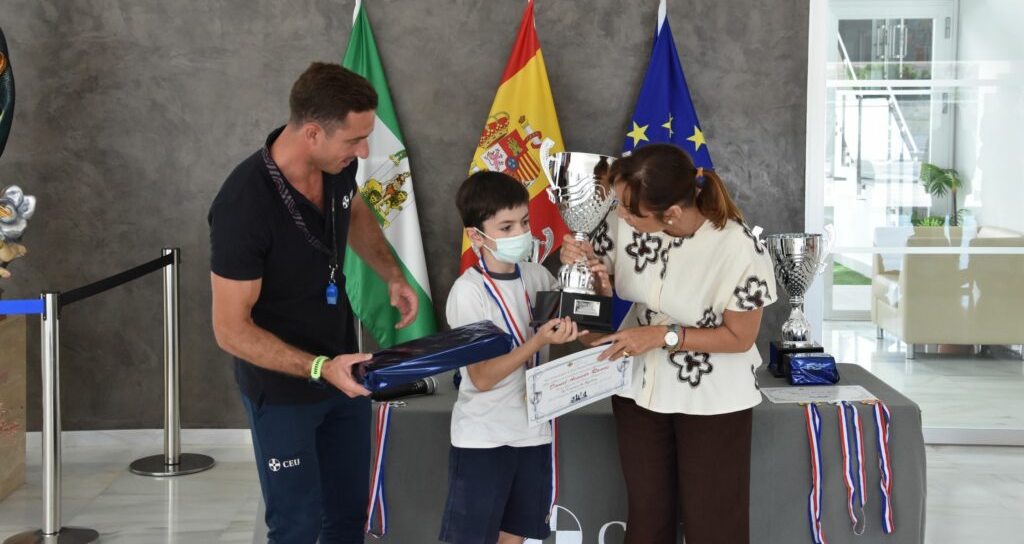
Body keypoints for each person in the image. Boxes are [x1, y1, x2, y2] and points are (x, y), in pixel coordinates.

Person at [209, 62, 418, 544]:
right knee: (297, 526)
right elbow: (229, 330)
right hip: (283, 390)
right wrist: (319, 367)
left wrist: (391, 274)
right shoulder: (243, 204)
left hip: (345, 373)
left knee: (346, 519)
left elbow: (357, 210)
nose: (364, 151)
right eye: (354, 140)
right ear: (311, 134)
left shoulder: (337, 167)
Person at [562, 143, 776, 544]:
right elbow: (592, 309)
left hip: (714, 399)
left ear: (672, 213)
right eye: (620, 205)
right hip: (637, 390)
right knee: (647, 520)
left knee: (714, 525)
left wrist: (664, 336)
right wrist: (581, 267)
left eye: (630, 210)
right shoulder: (621, 220)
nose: (621, 215)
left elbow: (740, 337)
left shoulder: (740, 247)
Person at [441, 171, 584, 544]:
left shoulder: (537, 276)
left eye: (523, 222)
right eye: (505, 227)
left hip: (532, 431)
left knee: (516, 537)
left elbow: (580, 323)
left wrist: (586, 274)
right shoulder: (468, 292)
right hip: (484, 437)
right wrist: (535, 343)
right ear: (476, 236)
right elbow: (483, 378)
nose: (520, 234)